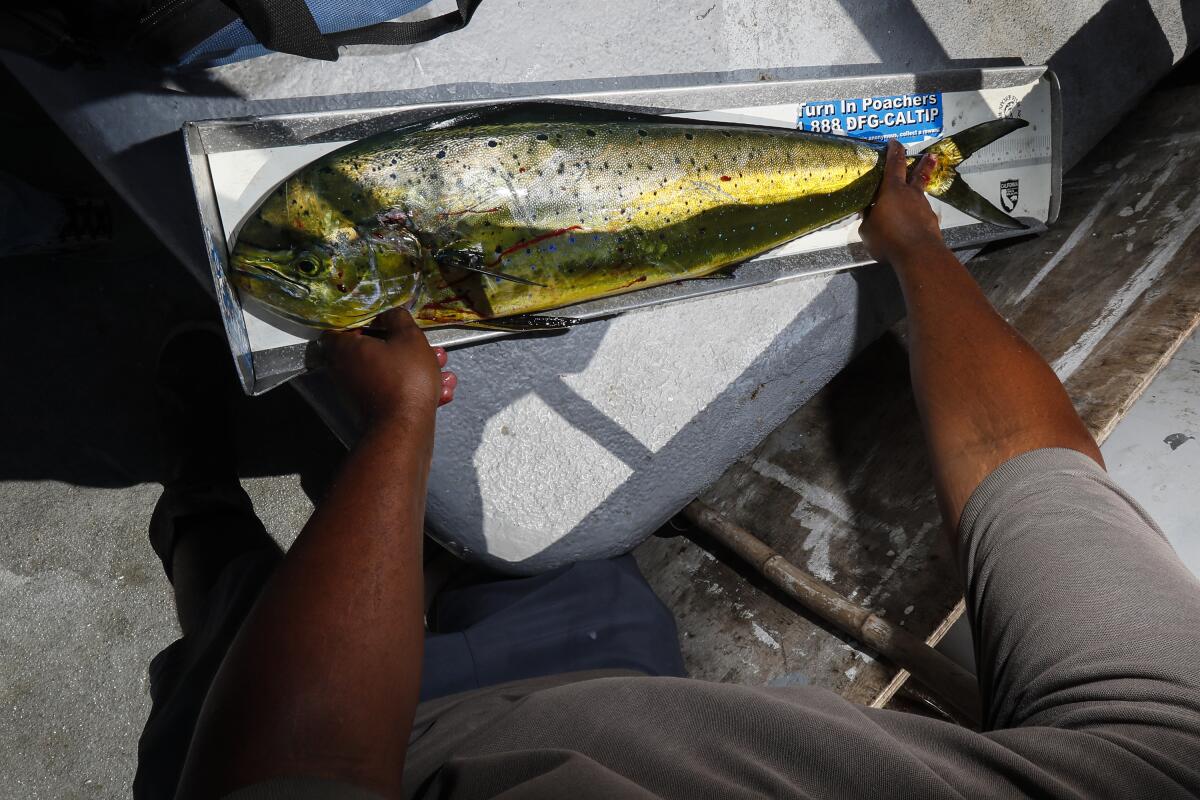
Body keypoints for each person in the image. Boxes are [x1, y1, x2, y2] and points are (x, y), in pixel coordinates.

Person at [136, 142, 1200, 799]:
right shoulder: (1156, 764)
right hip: (609, 682)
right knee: (532, 529)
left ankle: (192, 491)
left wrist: (398, 427)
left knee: (230, 605)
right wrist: (916, 245)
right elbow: (1034, 476)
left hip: (319, 735)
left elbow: (286, 768)